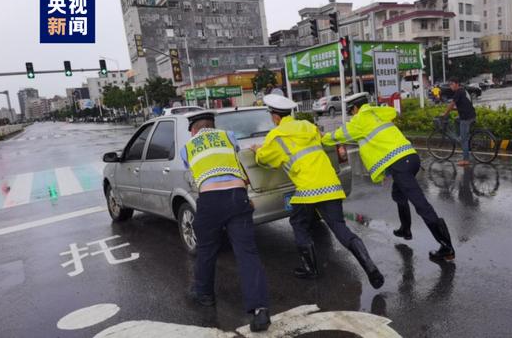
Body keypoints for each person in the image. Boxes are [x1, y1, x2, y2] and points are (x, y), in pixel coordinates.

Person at [251, 94, 385, 289]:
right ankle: (371, 267)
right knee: (340, 228)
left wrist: (257, 150)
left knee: (298, 223)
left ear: (275, 117)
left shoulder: (276, 136)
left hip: (307, 189)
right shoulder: (308, 126)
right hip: (330, 184)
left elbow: (264, 160)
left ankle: (310, 269)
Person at [322, 101, 455, 262]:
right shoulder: (378, 114)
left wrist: (323, 138)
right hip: (411, 158)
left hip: (400, 165)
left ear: (356, 108)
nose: (352, 114)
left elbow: (338, 135)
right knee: (398, 194)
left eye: (352, 111)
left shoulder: (360, 121)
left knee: (421, 205)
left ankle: (446, 247)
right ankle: (405, 229)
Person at [181, 112, 270, 332]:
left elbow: (190, 168)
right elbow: (235, 157)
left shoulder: (188, 146)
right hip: (237, 197)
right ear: (213, 125)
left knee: (207, 249)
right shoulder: (228, 136)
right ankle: (260, 311)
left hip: (210, 200)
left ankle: (205, 295)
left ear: (193, 130)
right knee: (247, 253)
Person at [443, 77, 476, 166]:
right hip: (471, 115)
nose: (451, 86)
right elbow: (463, 104)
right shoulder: (463, 91)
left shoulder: (458, 92)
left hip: (466, 118)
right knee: (456, 120)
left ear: (457, 84)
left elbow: (452, 104)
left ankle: (466, 160)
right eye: (450, 84)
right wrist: (453, 110)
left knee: (464, 140)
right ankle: (461, 136)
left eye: (452, 84)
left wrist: (445, 113)